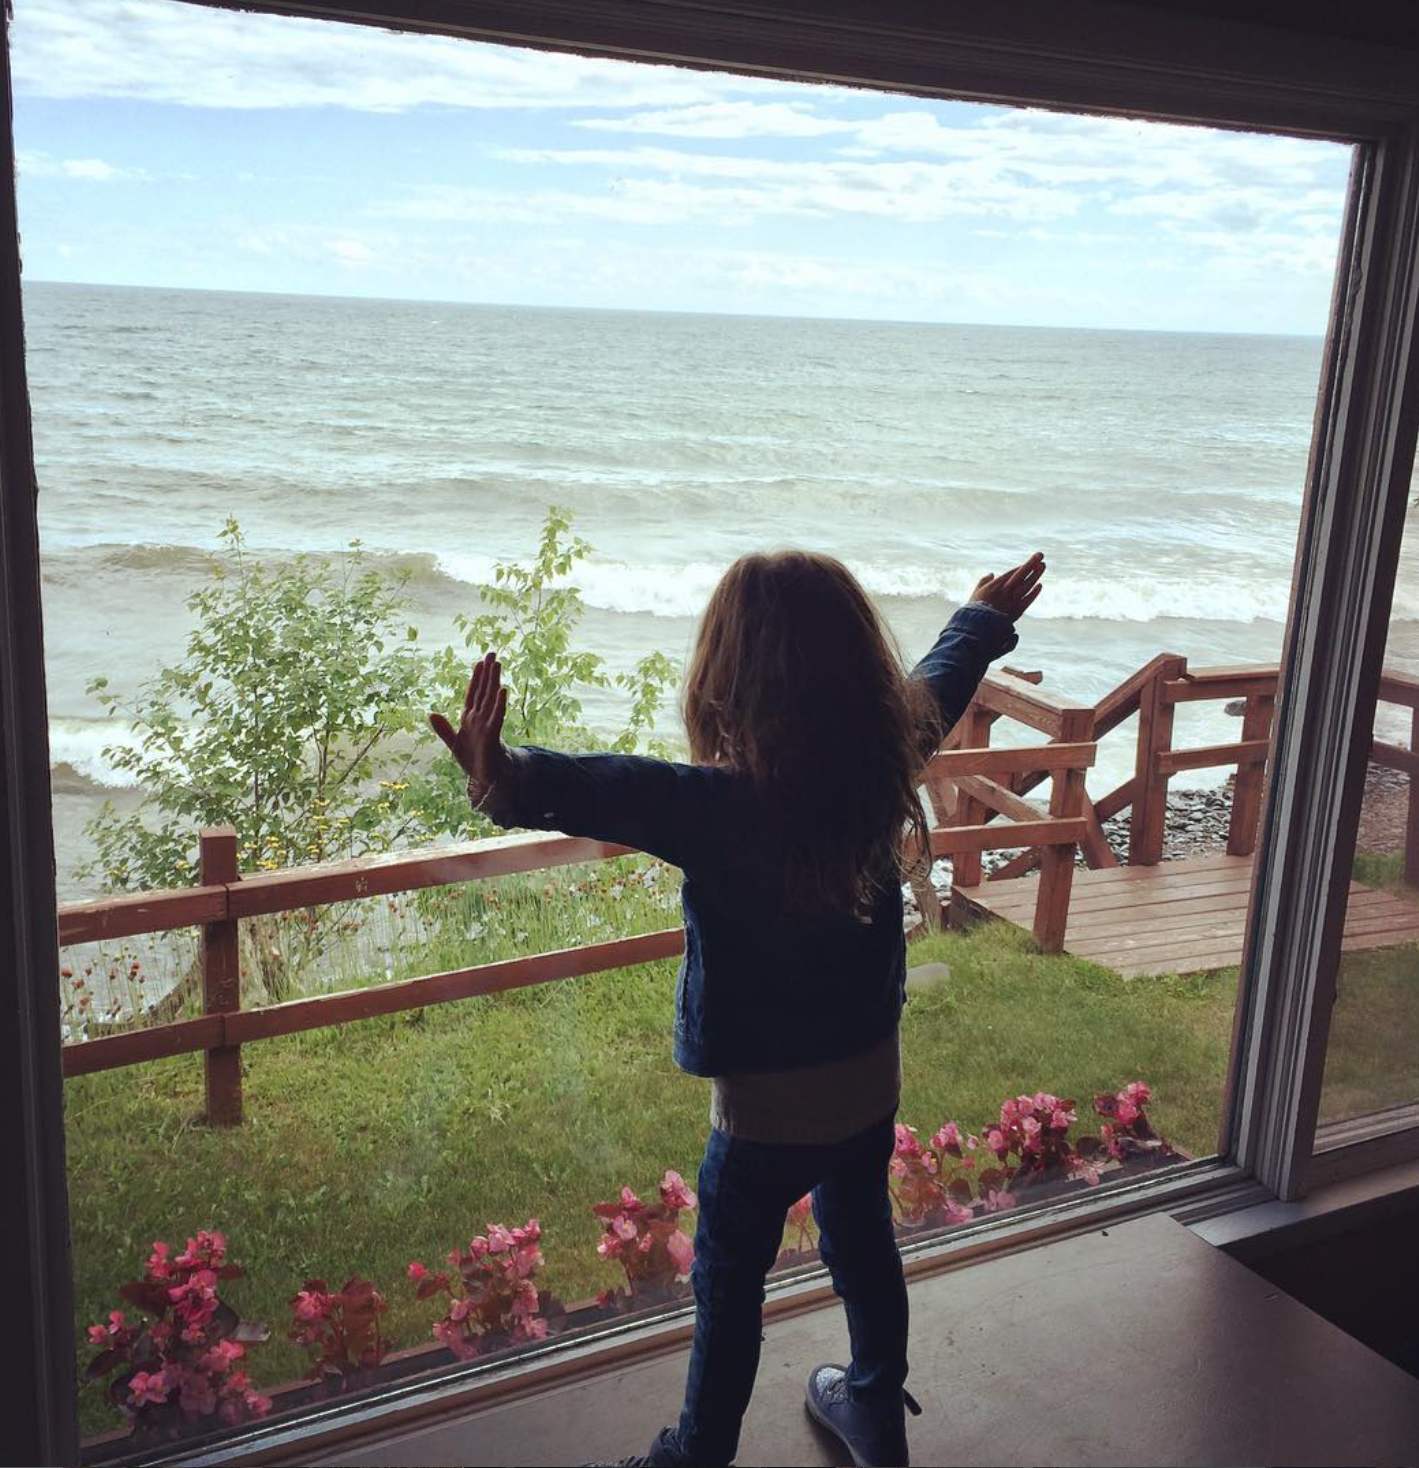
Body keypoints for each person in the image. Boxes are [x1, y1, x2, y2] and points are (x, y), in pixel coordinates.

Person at [430, 549, 1045, 1468]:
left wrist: (504, 777)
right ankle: (873, 1407)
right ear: (857, 671)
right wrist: (981, 619)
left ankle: (697, 1456)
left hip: (761, 1119)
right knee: (863, 1248)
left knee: (727, 1285)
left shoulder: (721, 805)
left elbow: (610, 787)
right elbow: (938, 685)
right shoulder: (881, 765)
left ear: (727, 677)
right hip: (867, 1084)